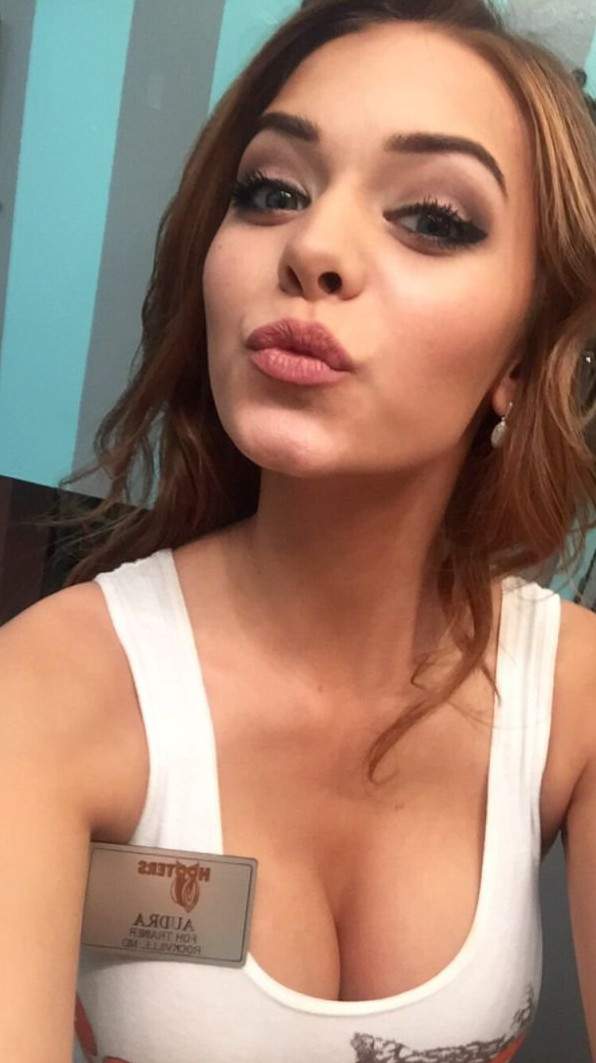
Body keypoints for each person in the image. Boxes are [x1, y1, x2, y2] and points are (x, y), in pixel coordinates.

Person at [2, 0, 596, 1059]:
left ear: (520, 359)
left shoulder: (573, 691)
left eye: (433, 218)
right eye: (272, 191)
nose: (313, 247)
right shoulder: (50, 689)